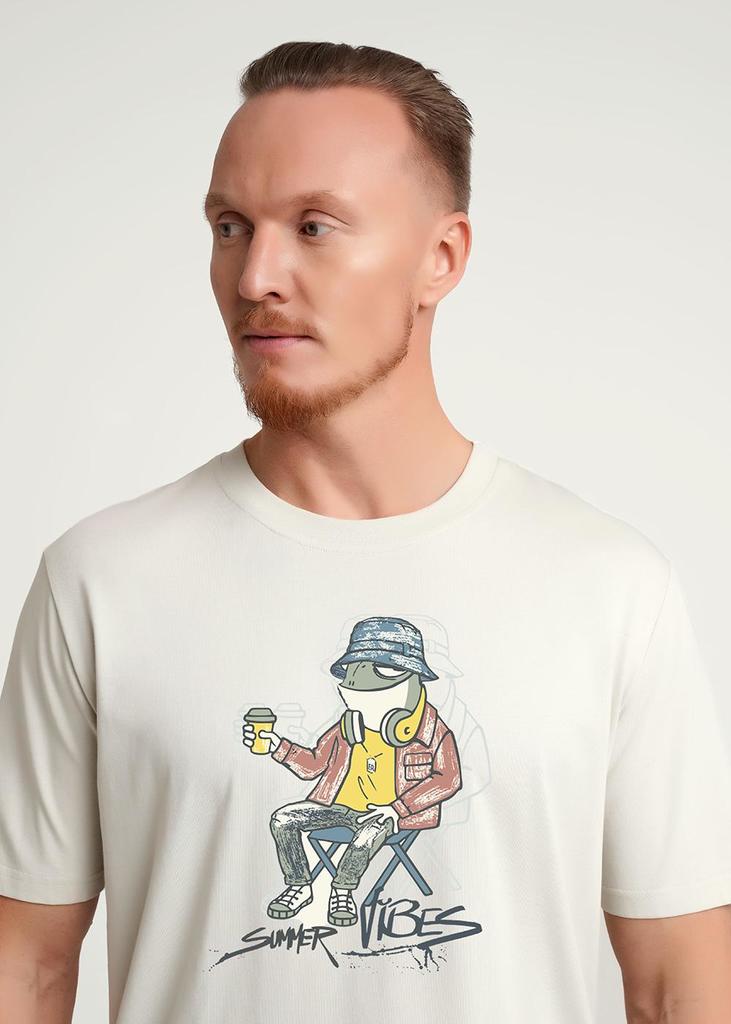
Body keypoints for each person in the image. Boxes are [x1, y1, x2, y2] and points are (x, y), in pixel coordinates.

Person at [1, 39, 730, 1024]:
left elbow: (682, 987)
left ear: (440, 259)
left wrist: (412, 802)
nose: (256, 275)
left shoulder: (609, 587)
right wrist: (281, 749)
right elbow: (25, 970)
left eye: (314, 226)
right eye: (229, 226)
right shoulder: (99, 581)